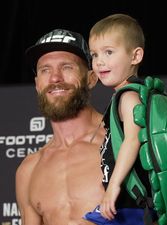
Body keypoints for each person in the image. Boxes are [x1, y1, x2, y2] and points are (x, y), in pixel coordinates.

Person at [15, 29, 106, 225]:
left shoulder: (122, 143)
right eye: (45, 70)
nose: (55, 78)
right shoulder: (29, 170)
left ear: (91, 78)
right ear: (37, 84)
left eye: (67, 67)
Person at [84, 14, 158, 225]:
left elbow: (133, 140)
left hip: (133, 207)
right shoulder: (126, 95)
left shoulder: (128, 97)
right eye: (94, 54)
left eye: (109, 52)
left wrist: (114, 186)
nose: (99, 62)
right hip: (127, 206)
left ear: (135, 56)